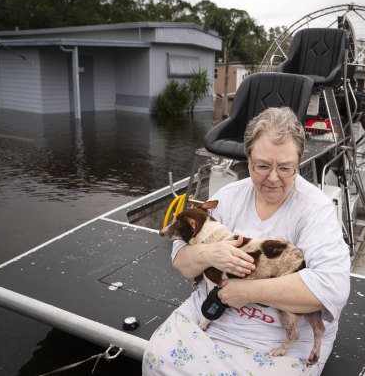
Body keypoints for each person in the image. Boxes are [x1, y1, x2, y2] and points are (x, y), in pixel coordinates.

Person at [143, 107, 351, 375]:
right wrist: (209, 254)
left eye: (285, 168)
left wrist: (248, 291)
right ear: (248, 158)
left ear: (298, 161)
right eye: (262, 166)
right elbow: (183, 263)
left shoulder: (315, 209)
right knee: (157, 360)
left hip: (275, 336)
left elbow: (332, 289)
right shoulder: (228, 197)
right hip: (215, 317)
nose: (273, 178)